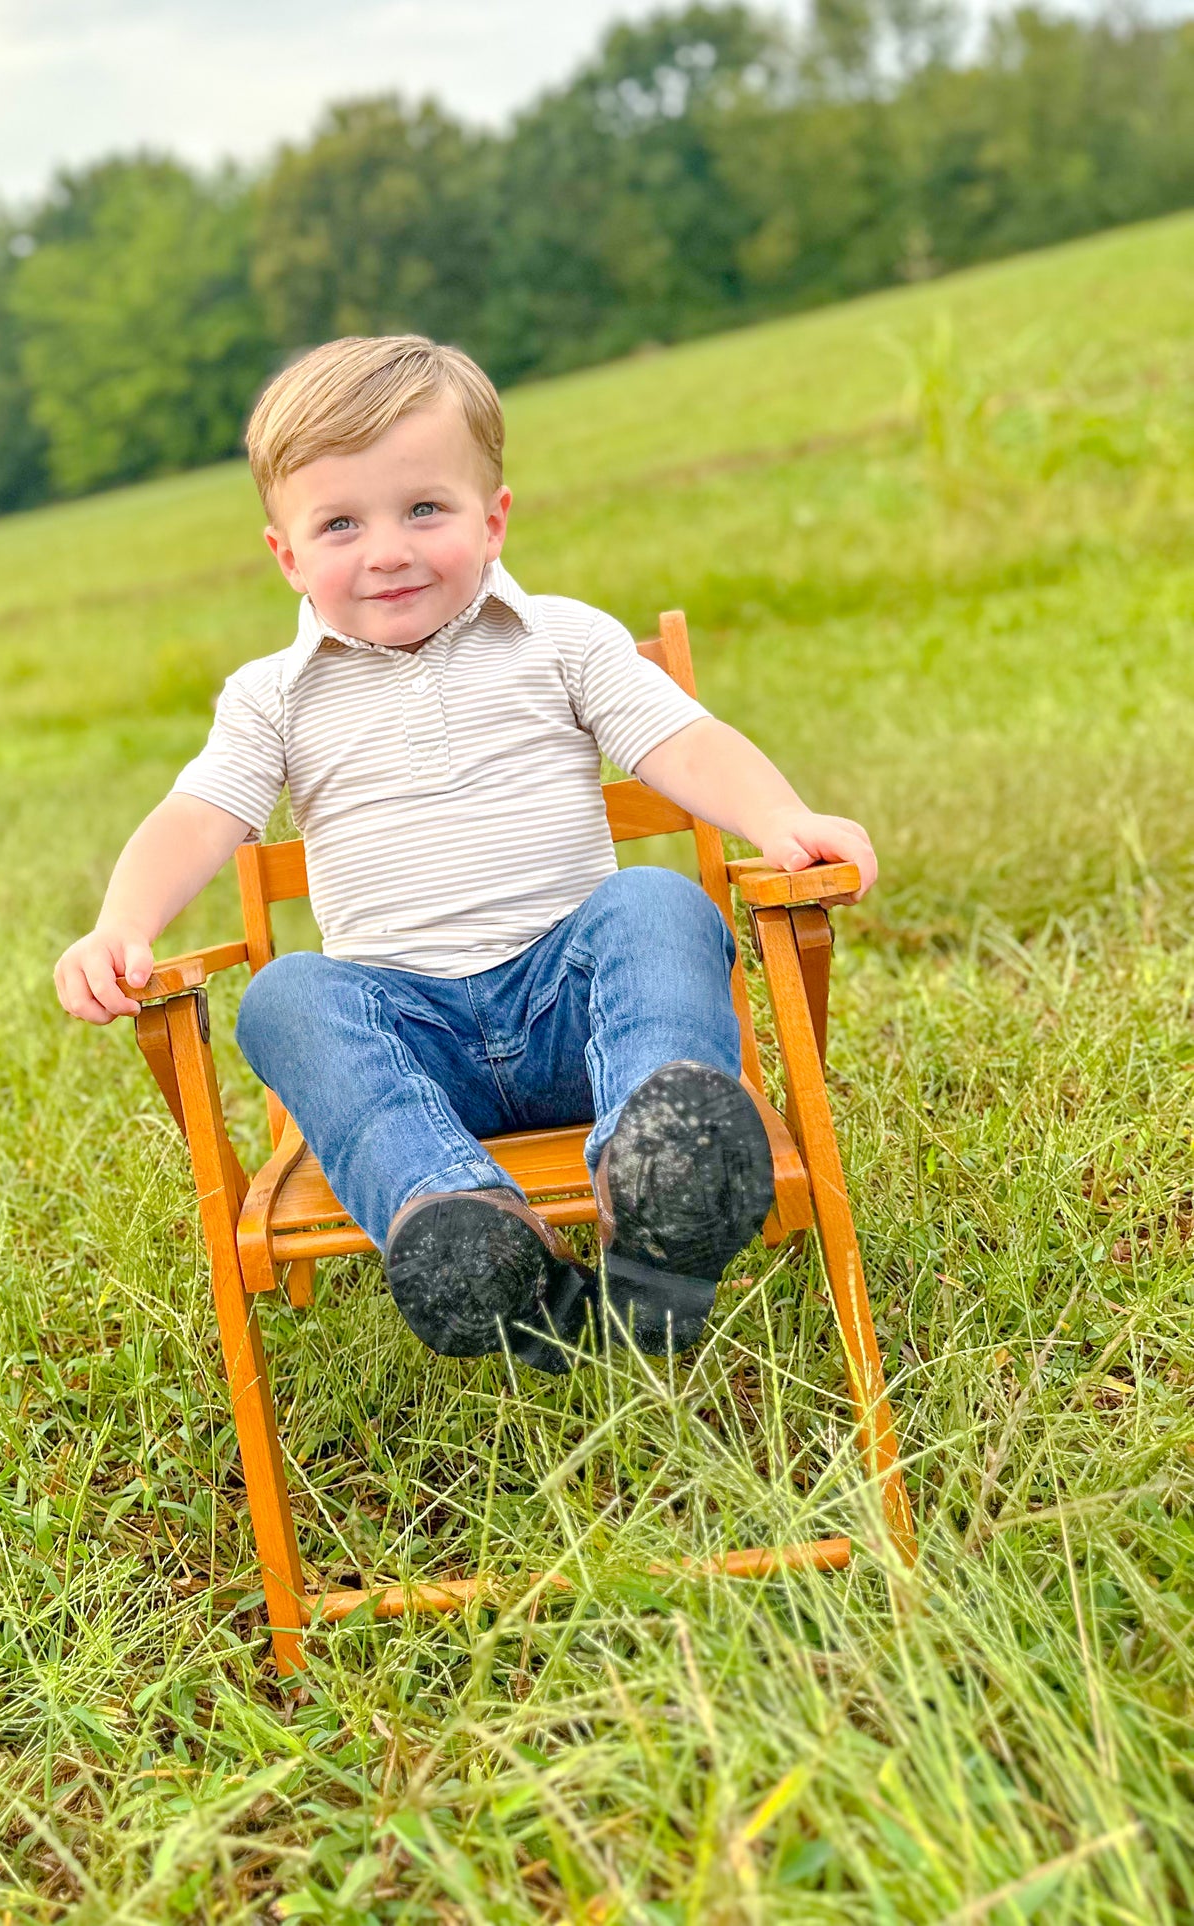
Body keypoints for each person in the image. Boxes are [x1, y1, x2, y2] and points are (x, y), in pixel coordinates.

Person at [55, 335, 876, 1372]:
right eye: (341, 524)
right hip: (413, 1046)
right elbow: (197, 815)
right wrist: (122, 924)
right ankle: (461, 1227)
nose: (386, 549)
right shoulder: (272, 696)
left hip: (580, 1016)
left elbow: (682, 741)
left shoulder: (563, 639)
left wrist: (780, 817)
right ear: (287, 556)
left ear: (492, 522)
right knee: (285, 998)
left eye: (423, 511)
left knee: (655, 909)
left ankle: (660, 1169)